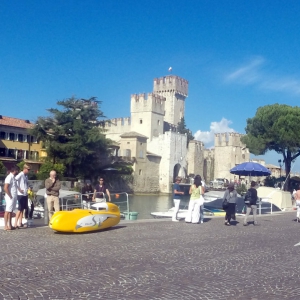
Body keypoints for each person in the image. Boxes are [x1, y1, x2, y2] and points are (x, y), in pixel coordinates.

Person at [3, 166, 19, 230]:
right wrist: (10, 196)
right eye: (17, 170)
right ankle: (5, 226)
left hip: (13, 196)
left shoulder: (13, 177)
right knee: (7, 211)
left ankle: (10, 225)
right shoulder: (9, 177)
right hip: (10, 197)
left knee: (11, 211)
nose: (18, 172)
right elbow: (5, 187)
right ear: (15, 170)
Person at [14, 164, 30, 228]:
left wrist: (28, 188)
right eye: (28, 169)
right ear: (25, 169)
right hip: (20, 194)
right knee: (20, 209)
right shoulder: (21, 174)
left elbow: (26, 184)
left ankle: (20, 222)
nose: (29, 171)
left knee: (23, 208)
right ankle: (15, 223)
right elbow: (15, 180)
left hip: (25, 194)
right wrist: (19, 189)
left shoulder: (26, 176)